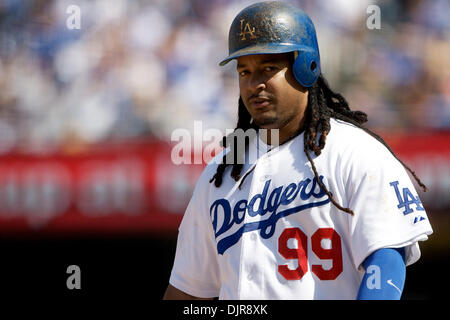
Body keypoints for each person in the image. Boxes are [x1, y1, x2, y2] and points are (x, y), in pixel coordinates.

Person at [163, 1, 433, 300]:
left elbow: (386, 262)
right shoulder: (220, 175)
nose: (255, 84)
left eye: (268, 68)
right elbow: (188, 290)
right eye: (244, 72)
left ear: (307, 67)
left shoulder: (355, 152)